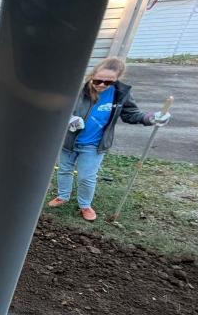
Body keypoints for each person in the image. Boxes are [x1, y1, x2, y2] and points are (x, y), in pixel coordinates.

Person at [47, 57, 171, 221]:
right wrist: (68, 118)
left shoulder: (120, 94)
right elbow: (58, 108)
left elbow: (131, 114)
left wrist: (150, 118)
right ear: (92, 75)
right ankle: (63, 196)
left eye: (108, 82)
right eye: (98, 80)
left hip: (94, 145)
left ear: (116, 79)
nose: (102, 85)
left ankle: (85, 205)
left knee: (86, 177)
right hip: (69, 141)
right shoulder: (77, 89)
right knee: (64, 170)